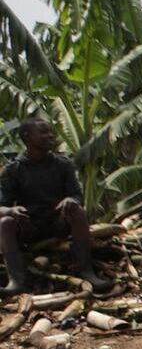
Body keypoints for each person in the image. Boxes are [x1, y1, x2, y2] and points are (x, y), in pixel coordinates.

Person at [2, 118, 110, 294]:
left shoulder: (63, 165)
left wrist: (71, 201)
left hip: (57, 222)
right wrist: (12, 211)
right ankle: (16, 281)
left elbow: (77, 196)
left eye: (50, 131)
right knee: (5, 222)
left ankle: (86, 271)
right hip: (29, 225)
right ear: (27, 137)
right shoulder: (14, 169)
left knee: (77, 211)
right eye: (43, 132)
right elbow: (1, 206)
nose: (50, 136)